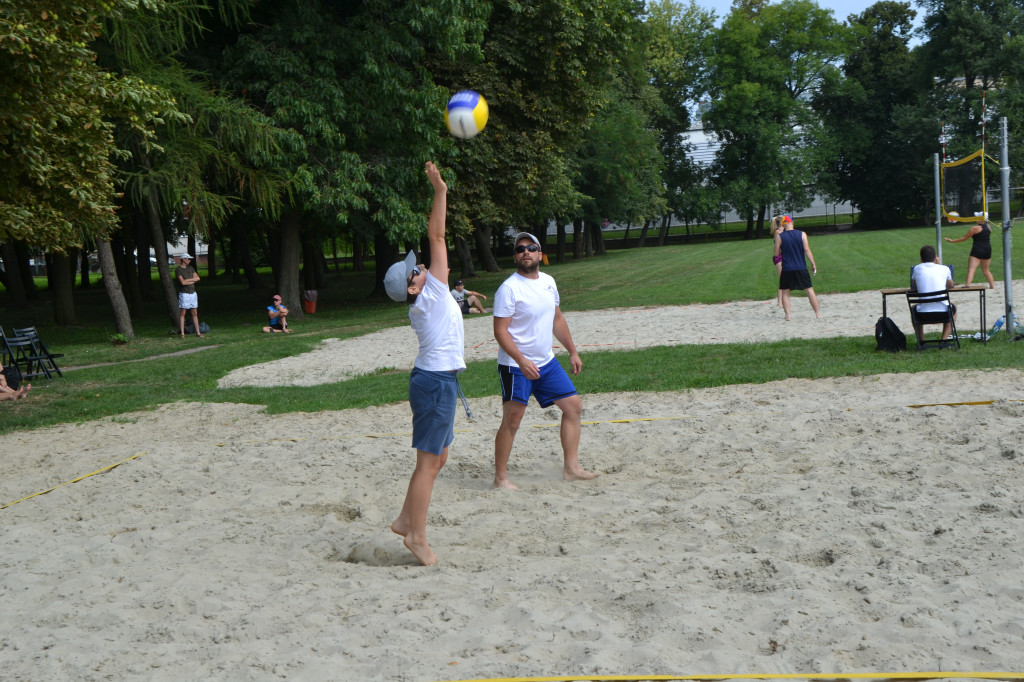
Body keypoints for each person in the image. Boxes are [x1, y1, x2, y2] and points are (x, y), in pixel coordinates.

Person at [383, 161, 465, 567]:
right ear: (414, 285)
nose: (423, 265)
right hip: (434, 383)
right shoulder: (431, 293)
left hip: (438, 380)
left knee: (439, 457)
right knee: (429, 462)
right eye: (415, 269)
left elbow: (436, 245)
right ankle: (416, 536)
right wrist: (439, 190)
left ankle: (404, 519)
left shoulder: (428, 295)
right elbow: (437, 233)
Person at [492, 231, 598, 490]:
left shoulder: (549, 282)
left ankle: (571, 469)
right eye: (520, 249)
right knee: (512, 420)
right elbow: (500, 331)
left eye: (531, 247)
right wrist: (521, 359)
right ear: (515, 256)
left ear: (540, 253)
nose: (525, 251)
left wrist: (572, 351)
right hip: (516, 365)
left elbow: (557, 319)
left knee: (573, 407)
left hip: (547, 362)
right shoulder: (508, 289)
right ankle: (500, 479)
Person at [774, 216, 822, 321]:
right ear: (792, 222)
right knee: (809, 290)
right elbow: (807, 250)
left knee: (786, 292)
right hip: (801, 267)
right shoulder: (802, 234)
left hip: (787, 268)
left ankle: (788, 316)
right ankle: (818, 313)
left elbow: (776, 254)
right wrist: (813, 263)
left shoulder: (779, 236)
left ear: (782, 225)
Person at [910, 244, 957, 341]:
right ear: (936, 257)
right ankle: (943, 340)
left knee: (914, 309)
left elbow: (915, 286)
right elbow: (950, 285)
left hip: (922, 314)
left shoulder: (917, 269)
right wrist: (938, 264)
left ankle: (921, 341)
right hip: (944, 313)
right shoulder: (944, 269)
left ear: (921, 259)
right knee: (954, 309)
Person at [944, 219, 996, 289]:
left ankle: (967, 285)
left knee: (971, 269)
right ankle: (992, 286)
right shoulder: (989, 227)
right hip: (987, 249)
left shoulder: (974, 228)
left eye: (978, 217)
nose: (976, 219)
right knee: (986, 270)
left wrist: (952, 241)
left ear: (982, 219)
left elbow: (964, 238)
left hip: (977, 249)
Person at [175, 254, 203, 338]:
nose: (190, 260)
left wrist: (188, 280)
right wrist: (191, 281)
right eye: (188, 259)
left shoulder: (191, 268)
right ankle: (182, 333)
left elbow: (198, 278)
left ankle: (198, 333)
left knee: (194, 312)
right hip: (184, 293)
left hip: (193, 293)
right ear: (184, 259)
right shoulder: (178, 270)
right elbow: (182, 282)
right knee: (183, 313)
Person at [769, 215, 790, 306]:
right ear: (781, 222)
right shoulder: (778, 232)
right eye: (784, 221)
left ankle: (781, 300)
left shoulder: (781, 231)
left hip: (783, 256)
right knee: (782, 279)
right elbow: (778, 247)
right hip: (780, 257)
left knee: (784, 279)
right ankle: (780, 301)